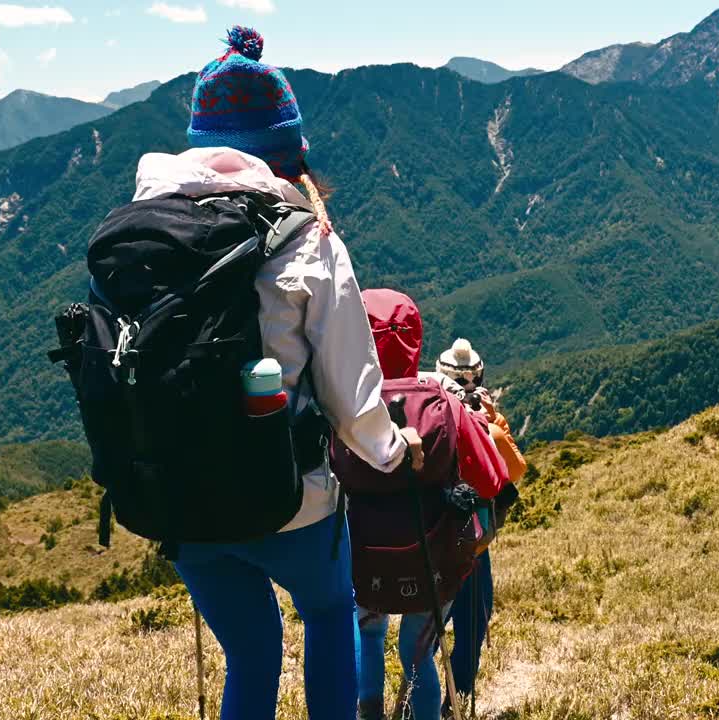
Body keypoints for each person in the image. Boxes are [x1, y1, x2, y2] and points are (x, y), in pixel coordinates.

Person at [140, 27, 424, 720]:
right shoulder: (308, 240)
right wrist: (396, 451)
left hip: (181, 503)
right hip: (288, 502)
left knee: (251, 656)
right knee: (329, 615)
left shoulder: (143, 228)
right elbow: (353, 401)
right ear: (285, 149)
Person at [352, 291, 508, 720]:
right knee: (417, 652)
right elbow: (492, 477)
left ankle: (367, 712)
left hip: (363, 552)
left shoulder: (342, 399)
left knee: (366, 634)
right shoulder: (442, 398)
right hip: (429, 553)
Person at [435, 339, 527, 714]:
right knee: (473, 619)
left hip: (429, 531)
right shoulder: (483, 420)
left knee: (426, 626)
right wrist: (493, 419)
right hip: (473, 539)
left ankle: (416, 696)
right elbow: (514, 470)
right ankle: (456, 697)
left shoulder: (427, 407)